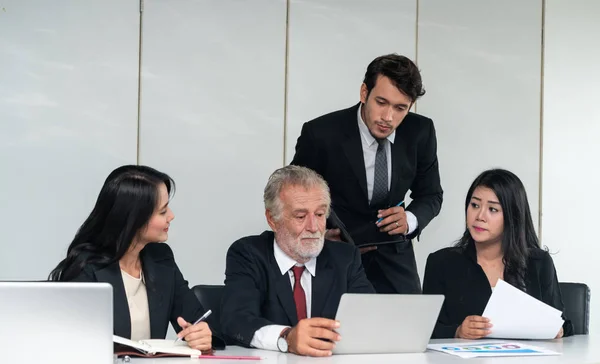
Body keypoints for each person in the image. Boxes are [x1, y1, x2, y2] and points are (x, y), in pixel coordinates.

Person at [291, 53, 443, 294]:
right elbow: (294, 197)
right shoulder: (321, 133)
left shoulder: (420, 131)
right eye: (381, 102)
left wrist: (409, 220)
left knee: (408, 327)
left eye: (400, 108)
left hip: (394, 253)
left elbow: (431, 194)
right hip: (334, 252)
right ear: (364, 93)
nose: (388, 117)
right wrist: (317, 235)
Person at [49, 165, 225, 350]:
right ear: (134, 219)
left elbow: (197, 320)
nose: (171, 216)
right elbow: (71, 346)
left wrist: (203, 335)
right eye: (163, 211)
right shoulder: (85, 269)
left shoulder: (161, 258)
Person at [220, 165, 374, 357]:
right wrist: (286, 337)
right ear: (272, 219)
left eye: (319, 215)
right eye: (300, 216)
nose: (313, 227)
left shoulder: (345, 258)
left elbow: (371, 318)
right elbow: (236, 320)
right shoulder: (248, 254)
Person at [422, 169, 573, 339]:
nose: (480, 216)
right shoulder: (441, 263)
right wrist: (457, 331)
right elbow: (426, 330)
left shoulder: (538, 262)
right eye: (475, 205)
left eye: (492, 209)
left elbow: (563, 323)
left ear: (512, 216)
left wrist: (558, 330)